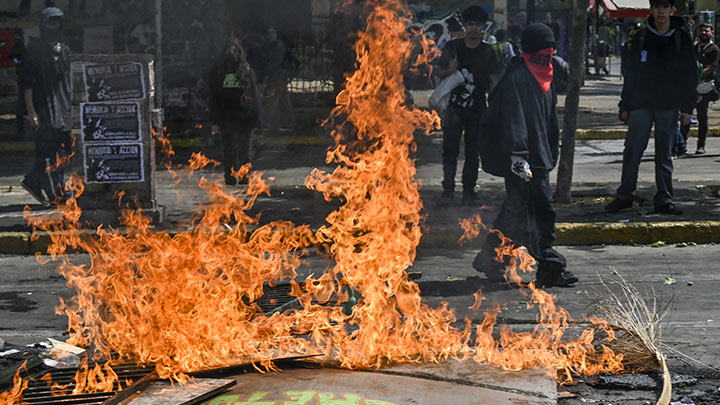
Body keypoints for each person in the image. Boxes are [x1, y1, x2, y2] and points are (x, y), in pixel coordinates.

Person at [473, 23, 578, 288]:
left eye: (551, 49)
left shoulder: (544, 74)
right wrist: (518, 157)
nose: (548, 54)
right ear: (531, 51)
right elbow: (513, 120)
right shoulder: (518, 78)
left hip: (538, 157)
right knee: (540, 215)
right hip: (525, 162)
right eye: (544, 50)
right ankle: (551, 268)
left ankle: (491, 258)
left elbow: (548, 119)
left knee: (516, 213)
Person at [605, 0, 696, 215]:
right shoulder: (641, 38)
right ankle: (625, 195)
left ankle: (664, 198)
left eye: (665, 6)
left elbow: (690, 74)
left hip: (669, 104)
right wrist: (624, 104)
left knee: (664, 154)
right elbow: (631, 74)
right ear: (652, 10)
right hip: (640, 104)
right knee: (632, 151)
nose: (661, 11)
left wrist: (687, 107)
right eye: (657, 7)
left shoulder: (681, 38)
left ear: (671, 10)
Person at [436, 5, 499, 206]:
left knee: (473, 152)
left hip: (477, 110)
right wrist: (450, 70)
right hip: (453, 109)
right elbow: (437, 73)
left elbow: (492, 81)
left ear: (483, 27)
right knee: (450, 151)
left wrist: (495, 106)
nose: (473, 28)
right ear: (465, 25)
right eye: (470, 24)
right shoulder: (452, 48)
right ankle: (447, 191)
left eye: (477, 25)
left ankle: (469, 192)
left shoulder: (488, 51)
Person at [19, 7, 72, 205]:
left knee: (59, 151)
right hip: (43, 109)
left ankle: (34, 181)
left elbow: (67, 81)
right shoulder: (34, 50)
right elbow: (27, 85)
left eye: (56, 22)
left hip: (62, 108)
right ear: (43, 25)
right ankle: (58, 192)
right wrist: (32, 111)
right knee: (52, 152)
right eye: (50, 22)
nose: (53, 26)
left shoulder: (65, 50)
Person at [208, 30, 260, 185]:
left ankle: (244, 177)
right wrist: (214, 121)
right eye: (229, 50)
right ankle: (230, 177)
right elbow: (213, 97)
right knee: (229, 151)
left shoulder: (247, 71)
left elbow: (255, 96)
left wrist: (257, 120)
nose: (232, 54)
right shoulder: (218, 71)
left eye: (235, 50)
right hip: (227, 117)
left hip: (244, 117)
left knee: (245, 151)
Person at [680, 22, 719, 155]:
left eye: (706, 31)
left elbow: (711, 67)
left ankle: (701, 145)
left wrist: (697, 75)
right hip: (689, 87)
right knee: (685, 116)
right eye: (701, 31)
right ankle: (682, 144)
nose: (703, 33)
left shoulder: (714, 49)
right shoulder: (694, 47)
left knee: (702, 117)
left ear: (711, 33)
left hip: (704, 86)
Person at [263, 26, 295, 135]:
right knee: (283, 99)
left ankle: (266, 124)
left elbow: (273, 63)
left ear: (275, 34)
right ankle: (289, 123)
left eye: (272, 34)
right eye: (269, 34)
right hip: (280, 76)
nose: (270, 36)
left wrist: (266, 76)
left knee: (272, 100)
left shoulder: (278, 47)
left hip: (278, 76)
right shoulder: (274, 46)